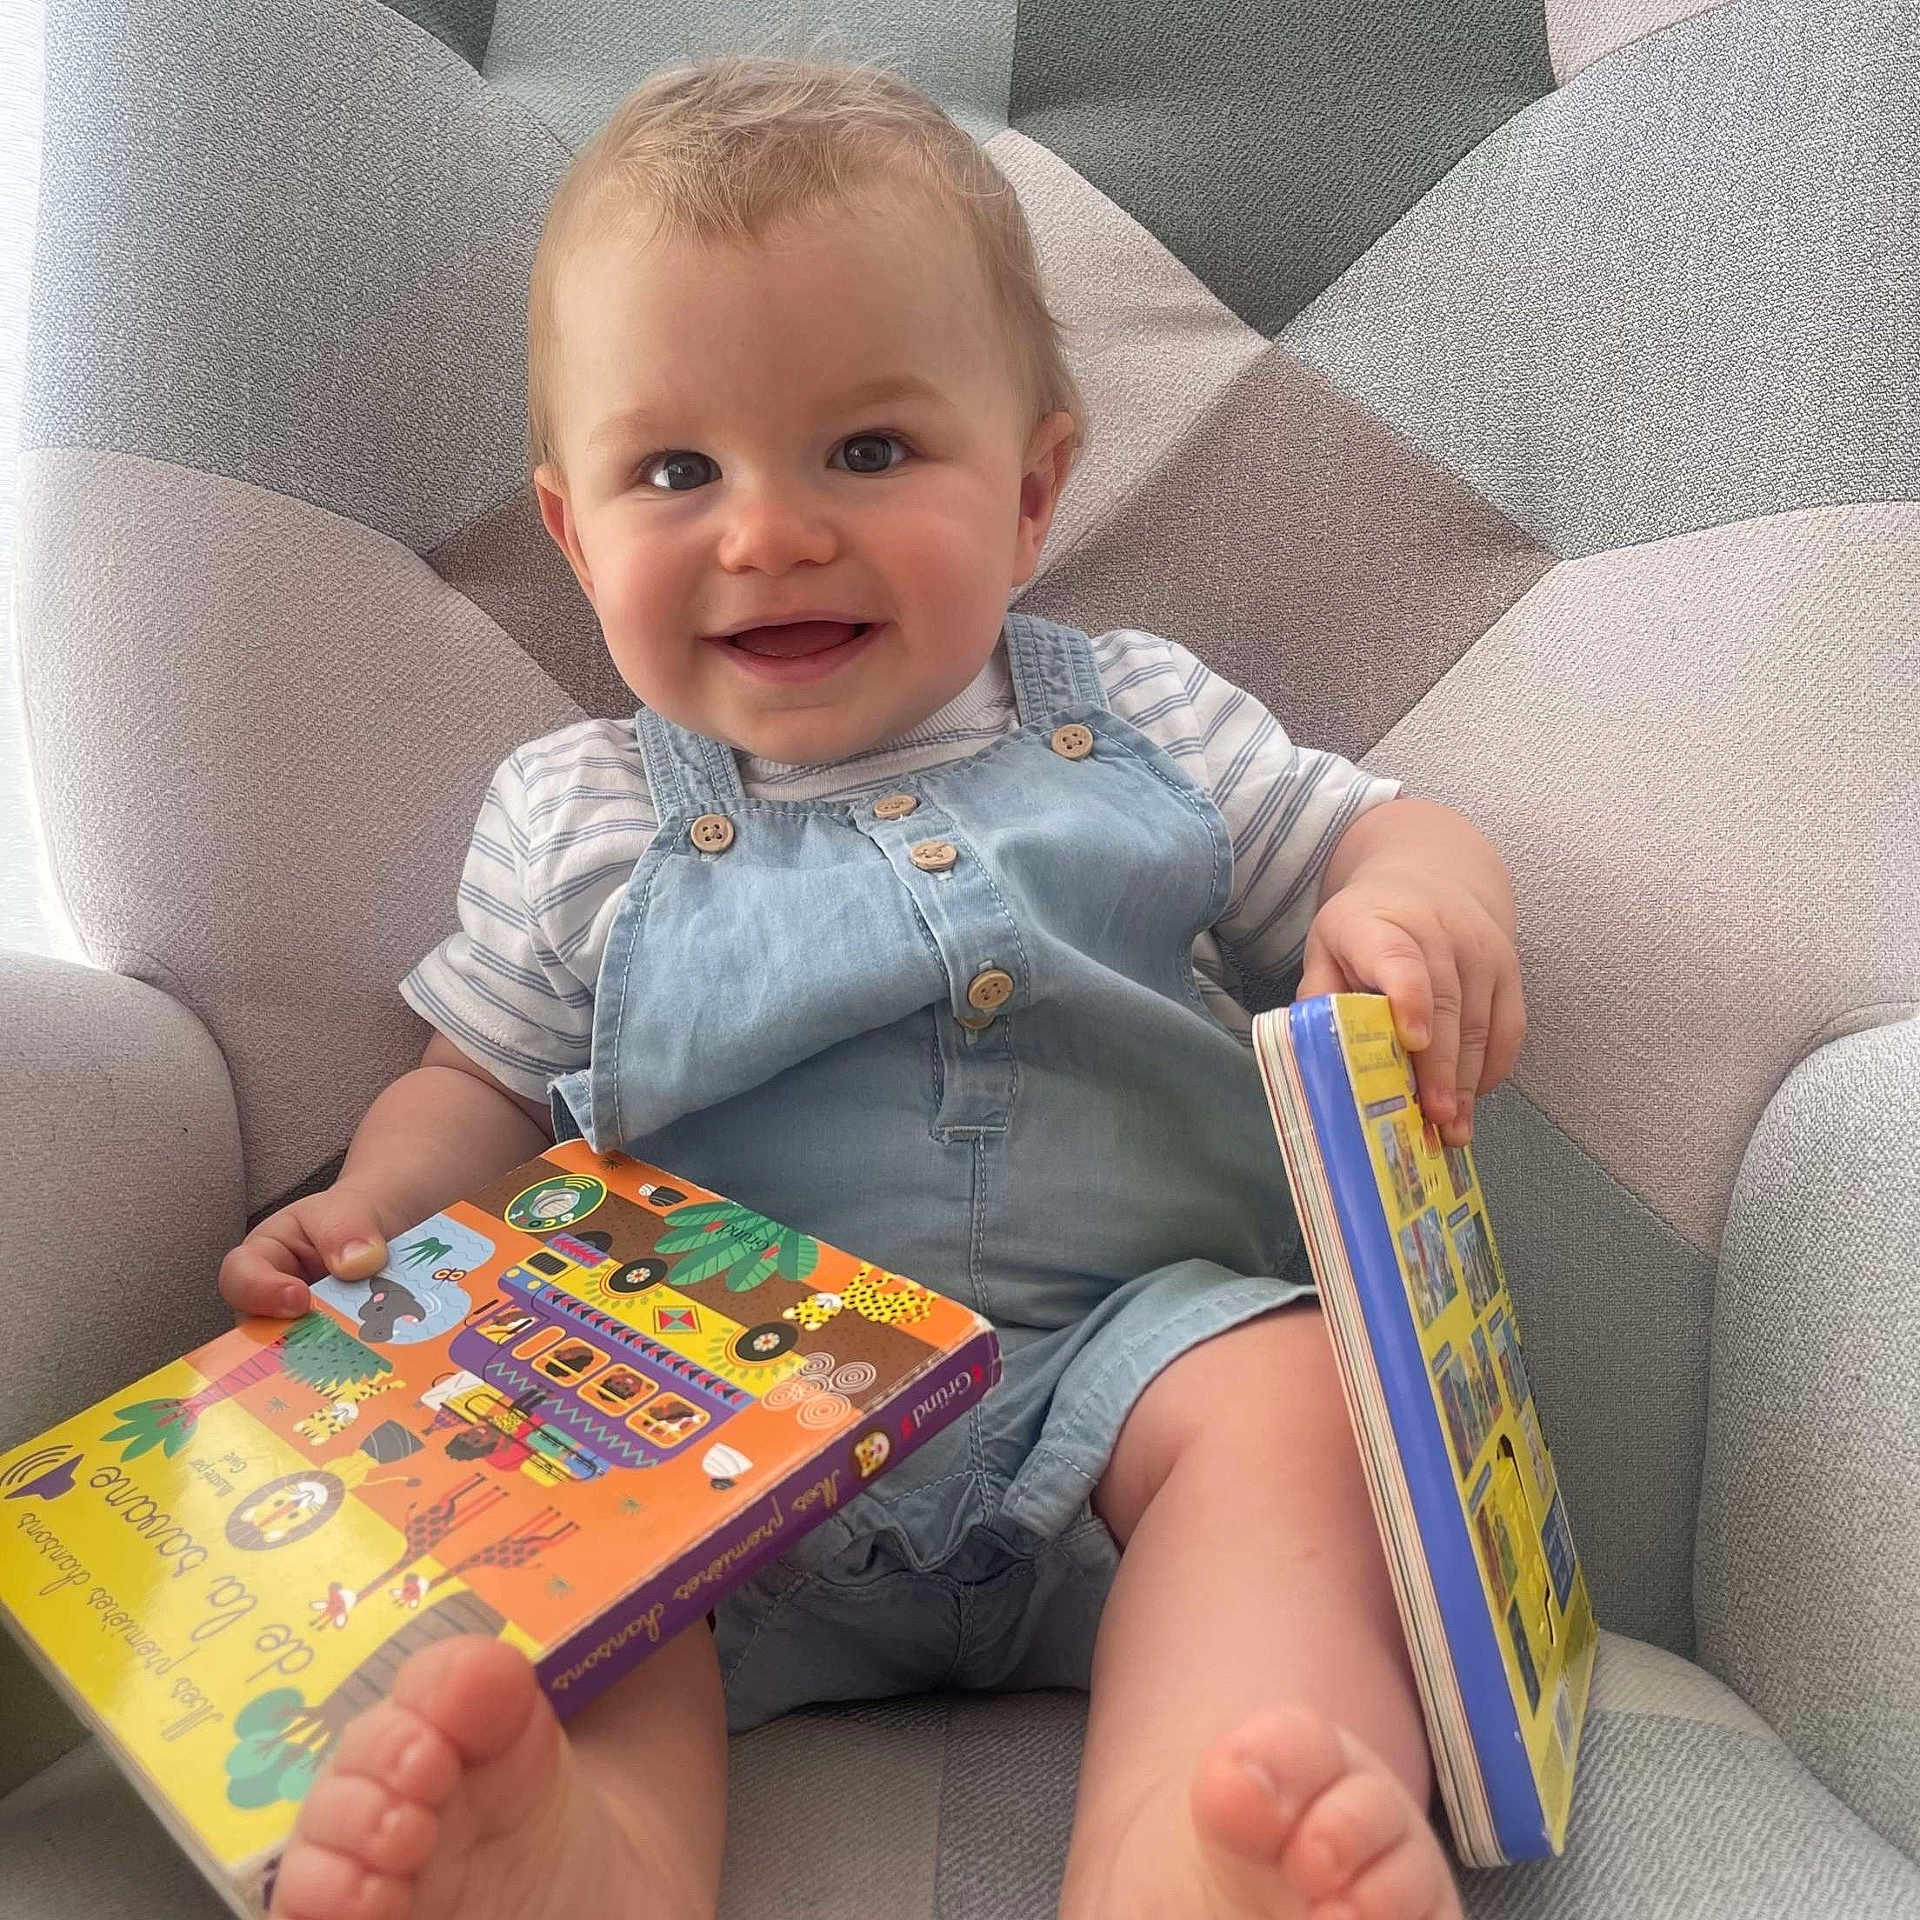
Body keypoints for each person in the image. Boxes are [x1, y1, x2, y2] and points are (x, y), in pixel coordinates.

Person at [218, 49, 1524, 1920]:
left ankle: (1206, 1841)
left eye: (868, 449)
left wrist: (1422, 907)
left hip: (1120, 1397)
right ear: (578, 535)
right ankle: (584, 1861)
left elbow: (1381, 830)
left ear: (1032, 487)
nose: (768, 530)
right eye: (677, 469)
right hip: (713, 1444)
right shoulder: (577, 813)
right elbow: (475, 1088)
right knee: (559, 1517)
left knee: (1297, 1401)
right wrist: (365, 1212)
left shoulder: (1133, 719)